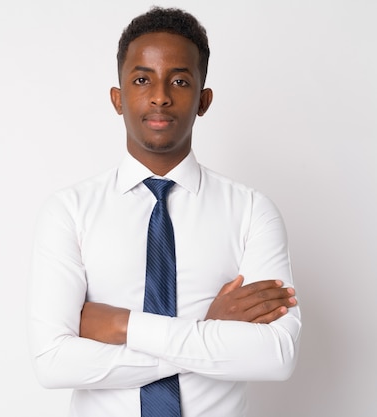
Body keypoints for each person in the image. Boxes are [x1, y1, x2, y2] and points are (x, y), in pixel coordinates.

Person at [28, 6, 301, 417]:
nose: (160, 95)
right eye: (142, 79)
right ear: (117, 99)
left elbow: (277, 357)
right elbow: (52, 363)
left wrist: (124, 326)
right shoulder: (69, 211)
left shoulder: (251, 211)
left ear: (203, 100)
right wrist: (208, 334)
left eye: (179, 80)